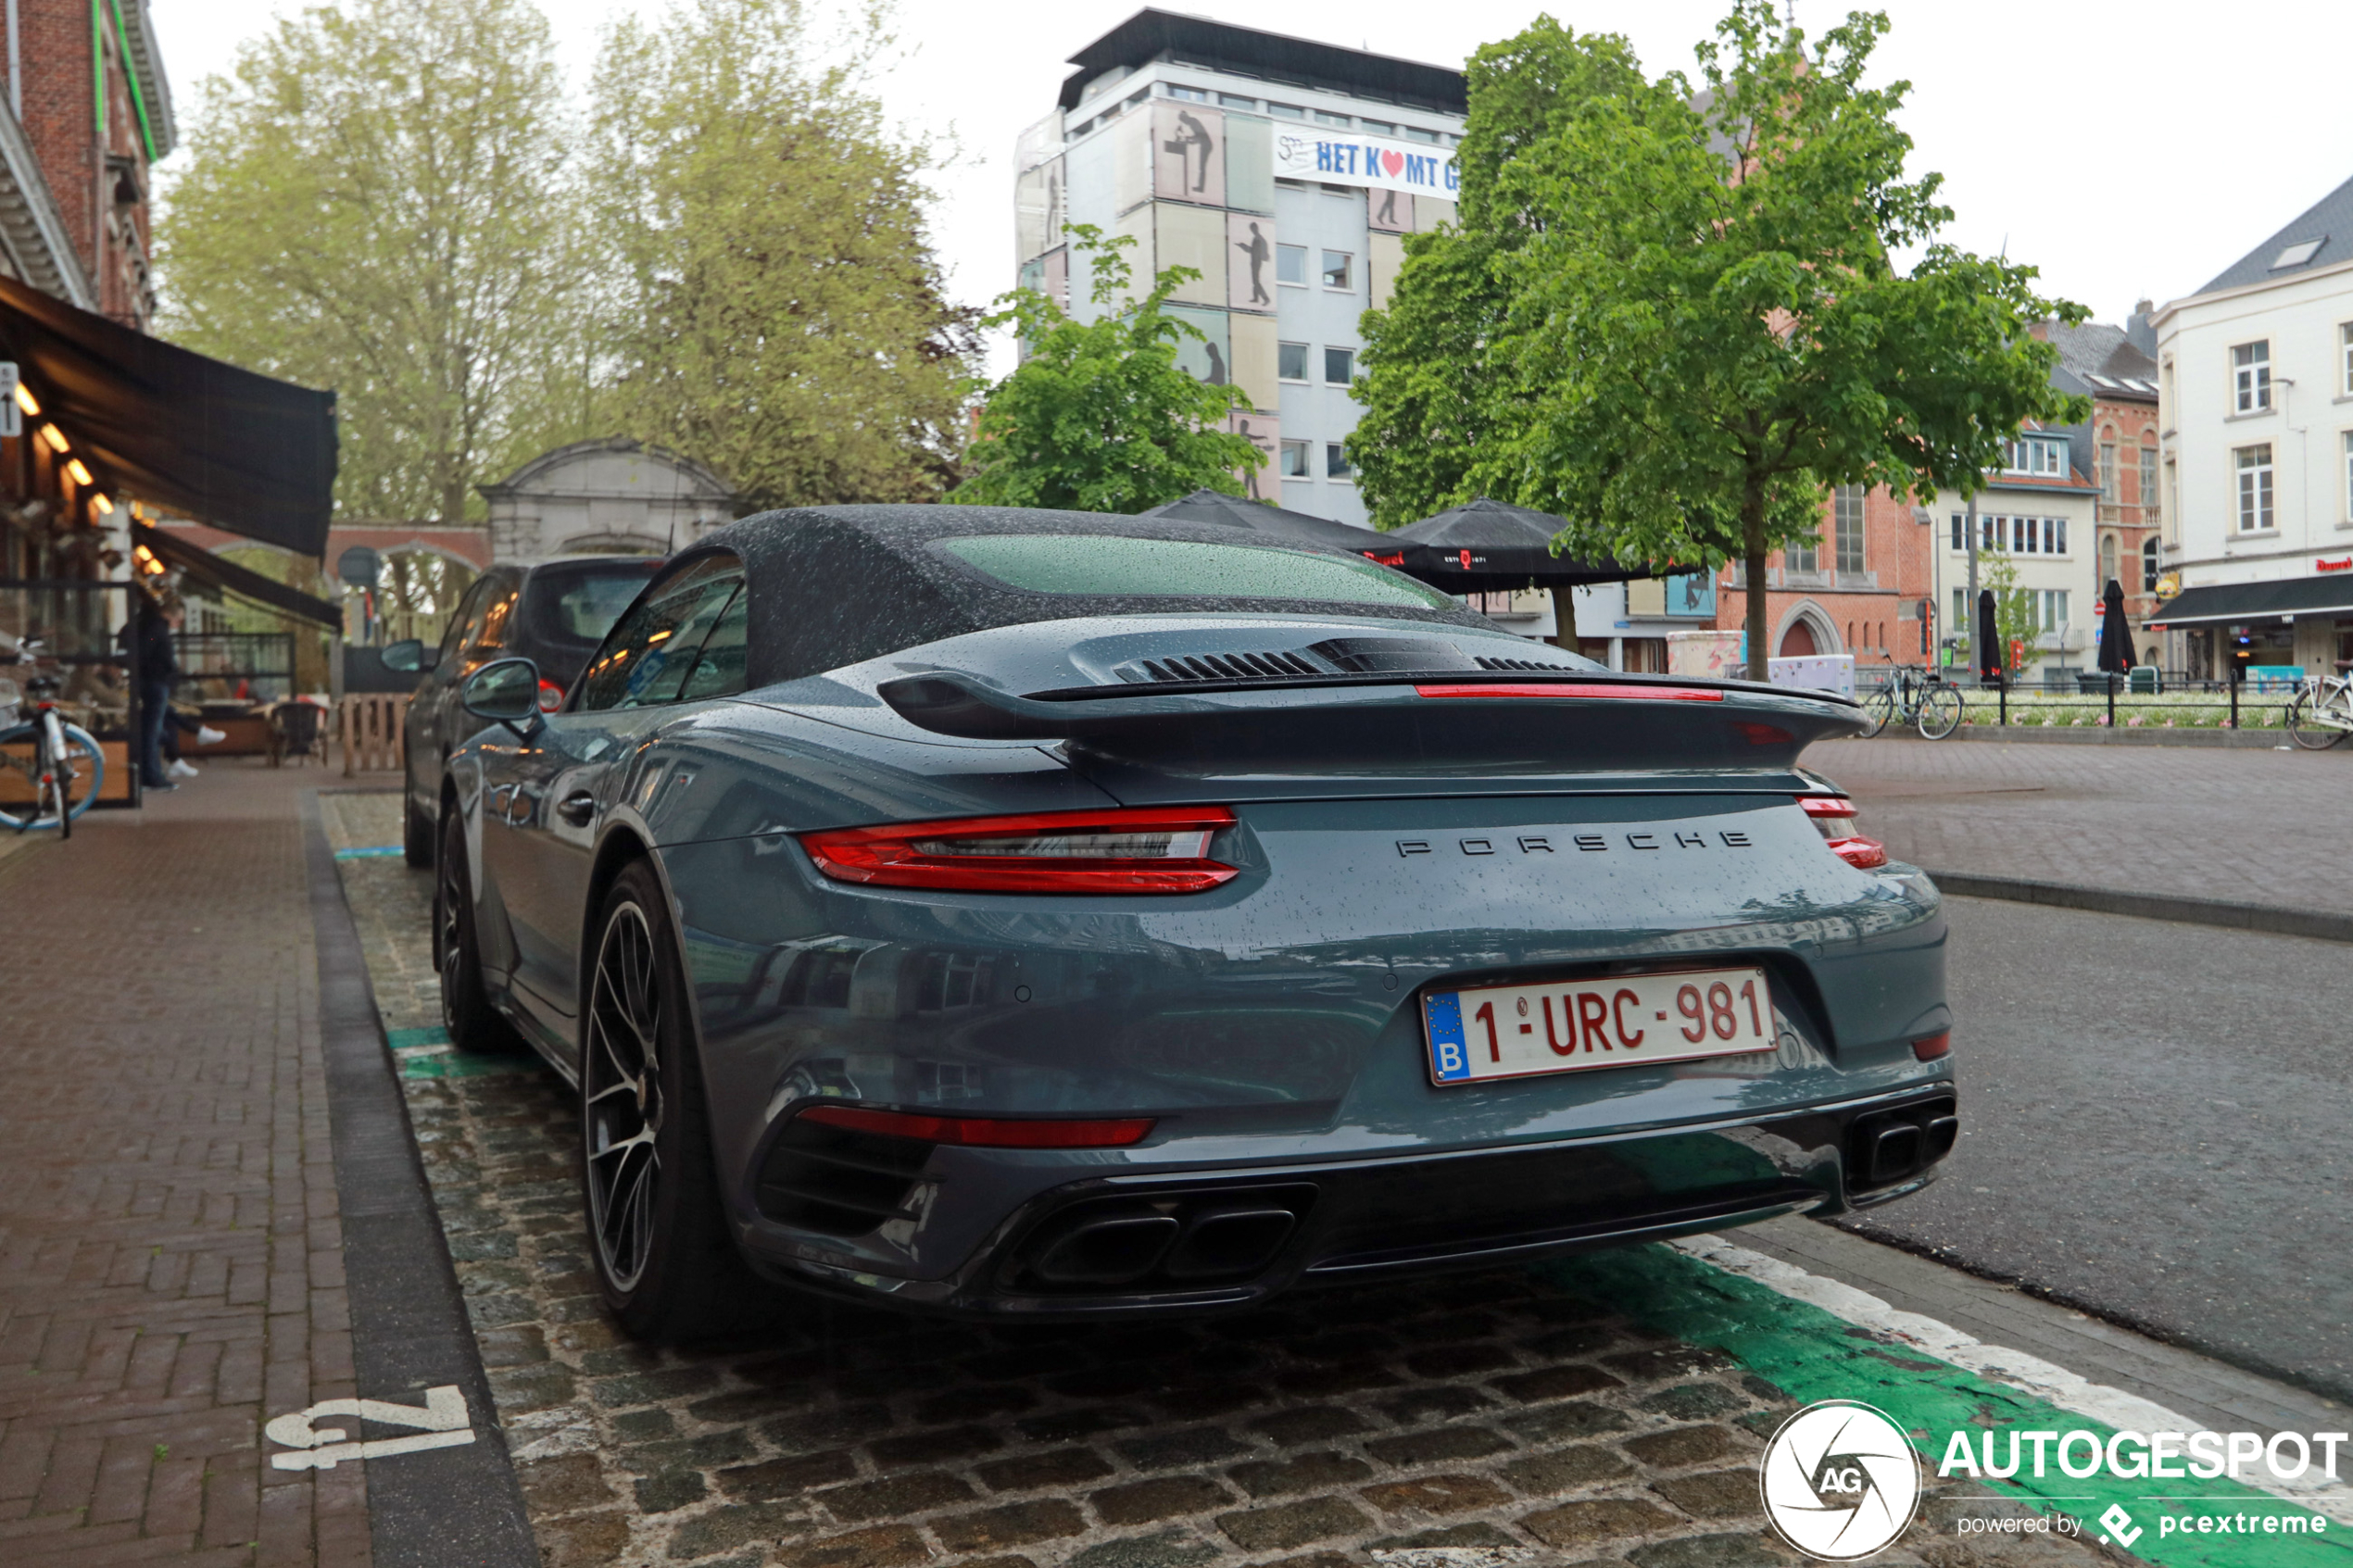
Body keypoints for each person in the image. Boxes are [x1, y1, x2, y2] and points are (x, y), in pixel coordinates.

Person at [135, 592, 183, 792]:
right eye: (178, 619)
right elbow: (147, 650)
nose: (178, 624)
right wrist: (165, 668)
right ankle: (152, 776)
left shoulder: (152, 626)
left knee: (154, 729)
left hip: (153, 681)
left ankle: (152, 773)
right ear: (169, 615)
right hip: (155, 683)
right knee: (152, 731)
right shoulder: (156, 629)